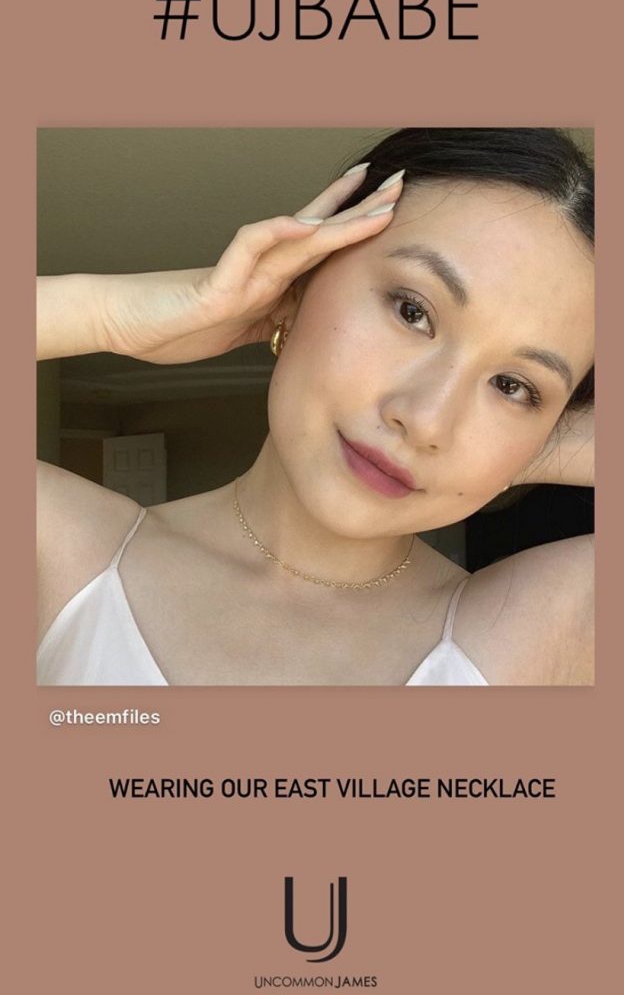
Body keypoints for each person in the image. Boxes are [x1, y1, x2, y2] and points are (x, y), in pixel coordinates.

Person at [36, 128, 594, 686]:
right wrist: (113, 315)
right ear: (300, 280)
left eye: (513, 387)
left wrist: (519, 448)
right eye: (412, 311)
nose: (426, 420)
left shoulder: (538, 633)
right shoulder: (66, 554)